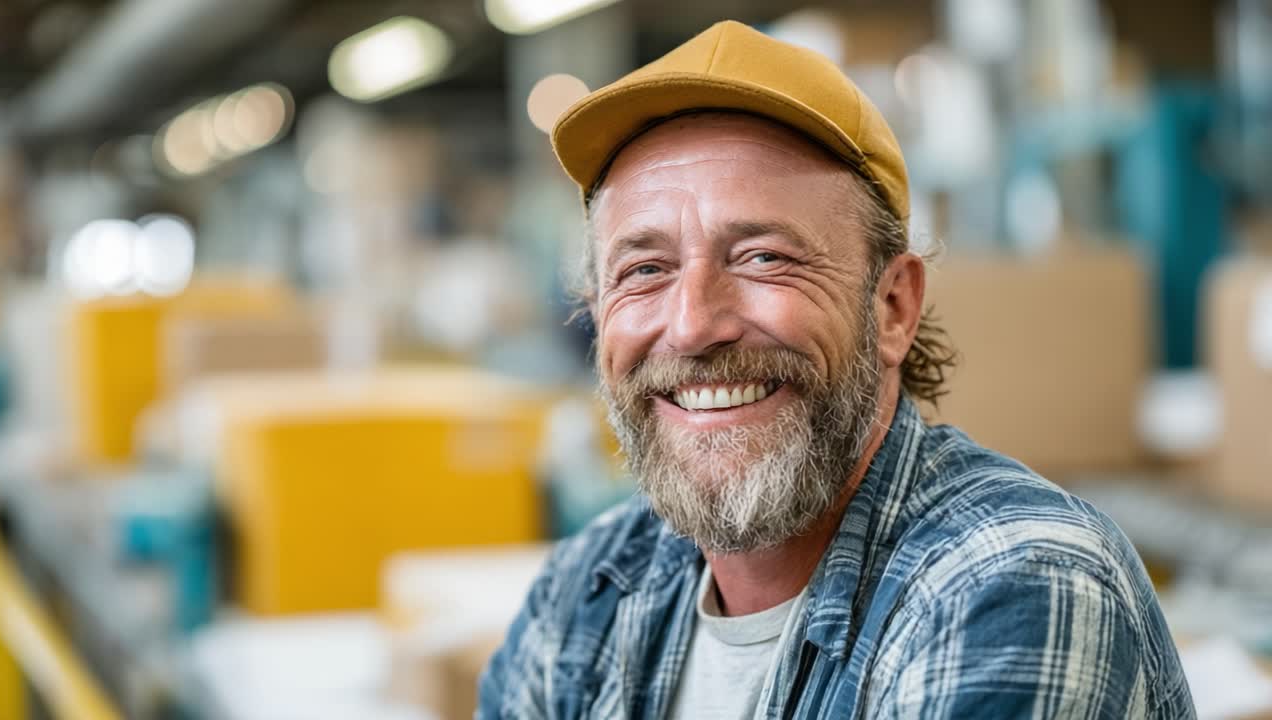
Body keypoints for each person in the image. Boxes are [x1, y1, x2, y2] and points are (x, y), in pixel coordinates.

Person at [478, 20, 1194, 719]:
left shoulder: (1016, 583)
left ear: (893, 307)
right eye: (644, 270)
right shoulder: (591, 588)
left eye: (764, 257)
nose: (692, 325)